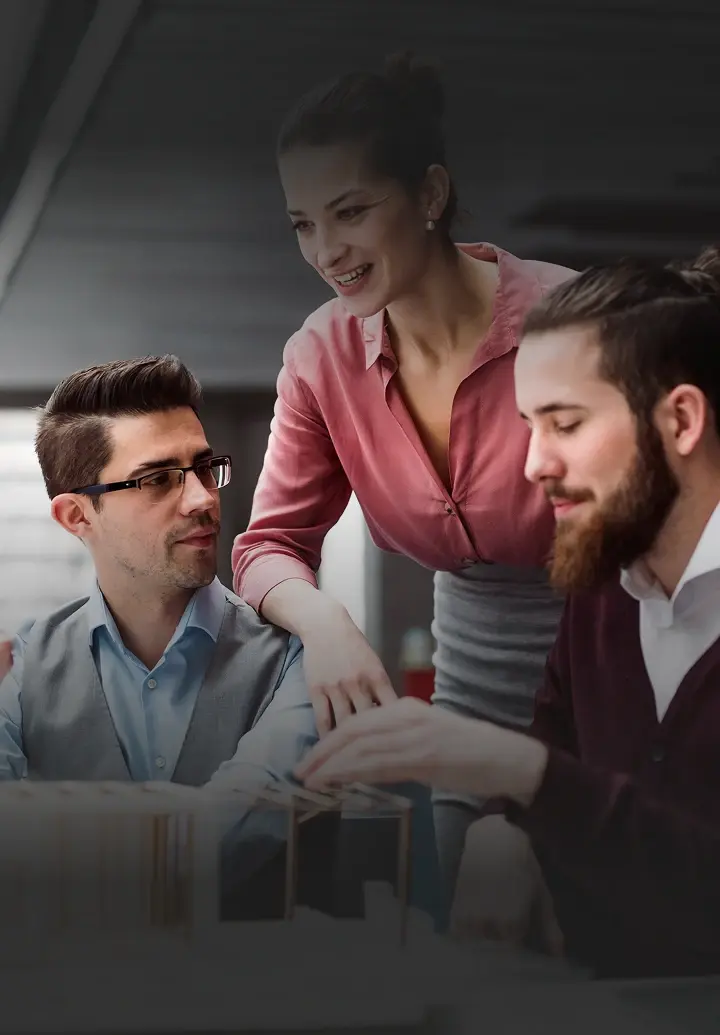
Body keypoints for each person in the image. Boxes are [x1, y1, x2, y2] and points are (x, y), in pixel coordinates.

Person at [294, 245, 720, 978]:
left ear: (680, 420)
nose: (533, 464)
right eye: (528, 425)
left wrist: (522, 773)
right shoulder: (599, 598)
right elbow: (584, 807)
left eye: (565, 423)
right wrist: (507, 829)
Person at [231, 51, 575, 889]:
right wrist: (324, 624)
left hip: (610, 670)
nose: (326, 250)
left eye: (350, 211)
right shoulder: (320, 357)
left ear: (429, 195)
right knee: (478, 934)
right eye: (303, 224)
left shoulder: (571, 322)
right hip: (469, 692)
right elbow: (265, 547)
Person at [0, 356, 319, 889]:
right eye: (158, 480)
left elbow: (224, 839)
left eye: (203, 468)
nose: (202, 498)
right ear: (77, 516)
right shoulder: (25, 663)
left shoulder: (294, 660)